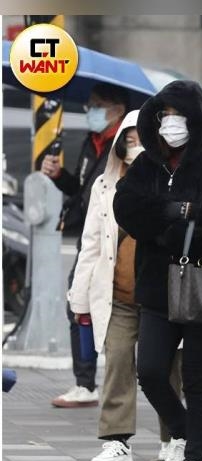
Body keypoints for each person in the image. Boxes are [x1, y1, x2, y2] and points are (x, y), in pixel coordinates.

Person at [114, 80, 202, 461]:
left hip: (199, 283)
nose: (170, 124)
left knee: (198, 379)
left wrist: (164, 221)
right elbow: (127, 208)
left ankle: (195, 455)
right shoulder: (146, 164)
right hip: (155, 287)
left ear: (195, 119)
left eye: (178, 116)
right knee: (148, 369)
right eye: (164, 116)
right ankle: (183, 429)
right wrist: (174, 212)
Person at [67, 110, 177, 461]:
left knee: (164, 369)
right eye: (127, 140)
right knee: (116, 363)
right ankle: (117, 442)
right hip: (116, 296)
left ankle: (174, 437)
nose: (134, 146)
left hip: (161, 296)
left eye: (140, 138)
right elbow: (91, 246)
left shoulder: (169, 180)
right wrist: (79, 299)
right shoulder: (103, 185)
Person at [41, 82, 129, 409]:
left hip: (114, 238)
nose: (90, 111)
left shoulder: (126, 144)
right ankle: (85, 382)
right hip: (88, 236)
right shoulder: (92, 142)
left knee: (103, 309)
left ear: (117, 110)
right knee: (78, 305)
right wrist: (59, 175)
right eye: (90, 105)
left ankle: (92, 381)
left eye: (98, 104)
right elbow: (83, 189)